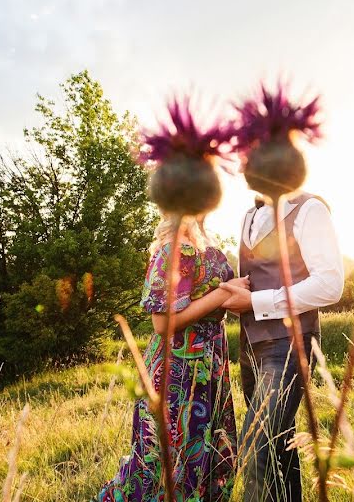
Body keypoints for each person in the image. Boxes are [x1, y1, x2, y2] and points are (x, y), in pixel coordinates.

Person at [94, 215, 247, 502]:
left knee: (209, 451)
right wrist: (224, 293)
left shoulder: (208, 243)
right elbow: (162, 324)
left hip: (209, 365)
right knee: (166, 458)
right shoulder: (172, 248)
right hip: (178, 367)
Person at [220, 192, 344, 502]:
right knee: (278, 445)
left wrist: (255, 302)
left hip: (290, 343)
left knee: (255, 449)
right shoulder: (248, 215)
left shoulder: (310, 209)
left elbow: (330, 284)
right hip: (250, 344)